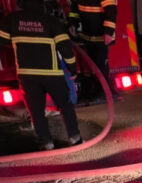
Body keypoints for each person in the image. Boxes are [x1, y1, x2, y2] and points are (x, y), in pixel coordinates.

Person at [0, 0, 82, 150]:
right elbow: (65, 48)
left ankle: (46, 142)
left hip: (27, 75)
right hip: (52, 74)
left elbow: (3, 40)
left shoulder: (11, 19)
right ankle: (75, 137)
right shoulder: (51, 21)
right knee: (65, 106)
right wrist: (73, 69)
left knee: (36, 111)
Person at [67, 0, 115, 99]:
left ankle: (105, 92)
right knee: (92, 67)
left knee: (101, 66)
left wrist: (108, 32)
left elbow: (111, 11)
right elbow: (74, 11)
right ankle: (95, 89)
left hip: (101, 38)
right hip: (88, 37)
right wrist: (72, 24)